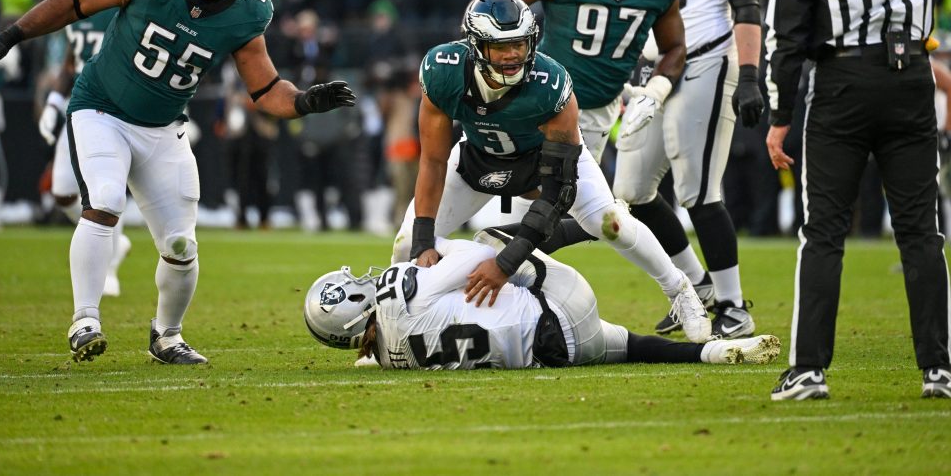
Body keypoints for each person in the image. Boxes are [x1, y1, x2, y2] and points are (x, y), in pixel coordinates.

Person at [0, 0, 356, 364]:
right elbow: (76, 1)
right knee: (103, 201)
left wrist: (305, 101)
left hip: (164, 127)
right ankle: (85, 318)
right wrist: (8, 37)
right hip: (102, 109)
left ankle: (167, 336)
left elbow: (264, 87)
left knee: (181, 244)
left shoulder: (248, 12)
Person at [393, 0, 711, 343]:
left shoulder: (550, 84)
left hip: (543, 160)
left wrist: (506, 262)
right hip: (478, 157)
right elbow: (434, 161)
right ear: (477, 47)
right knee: (407, 244)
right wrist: (423, 243)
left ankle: (681, 290)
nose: (513, 54)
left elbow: (558, 191)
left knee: (610, 222)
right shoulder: (444, 72)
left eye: (520, 43)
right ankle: (394, 328)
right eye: (501, 45)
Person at [764, 0, 951, 400]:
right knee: (923, 232)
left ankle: (809, 370)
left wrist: (778, 118)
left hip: (842, 85)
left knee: (823, 233)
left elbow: (784, 37)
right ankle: (939, 368)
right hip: (912, 78)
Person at [614, 0, 765, 339]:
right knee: (631, 191)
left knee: (699, 190)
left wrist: (750, 75)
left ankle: (733, 305)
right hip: (656, 72)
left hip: (705, 60)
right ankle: (697, 287)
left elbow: (746, 4)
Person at [305, 233, 780, 370]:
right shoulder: (402, 286)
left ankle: (713, 352)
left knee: (629, 347)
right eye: (355, 285)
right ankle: (597, 223)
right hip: (565, 302)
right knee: (491, 238)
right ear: (353, 304)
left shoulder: (387, 362)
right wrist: (439, 247)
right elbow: (483, 255)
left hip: (556, 353)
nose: (365, 279)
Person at [486, 0, 687, 167]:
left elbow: (675, 47)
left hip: (599, 108)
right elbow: (485, 10)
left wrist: (655, 93)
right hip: (539, 97)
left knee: (568, 199)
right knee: (508, 185)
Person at [37, 0, 133, 296]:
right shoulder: (77, 2)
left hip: (116, 107)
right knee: (62, 193)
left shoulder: (126, 2)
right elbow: (71, 62)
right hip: (80, 103)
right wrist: (53, 101)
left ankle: (108, 260)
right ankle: (112, 239)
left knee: (105, 190)